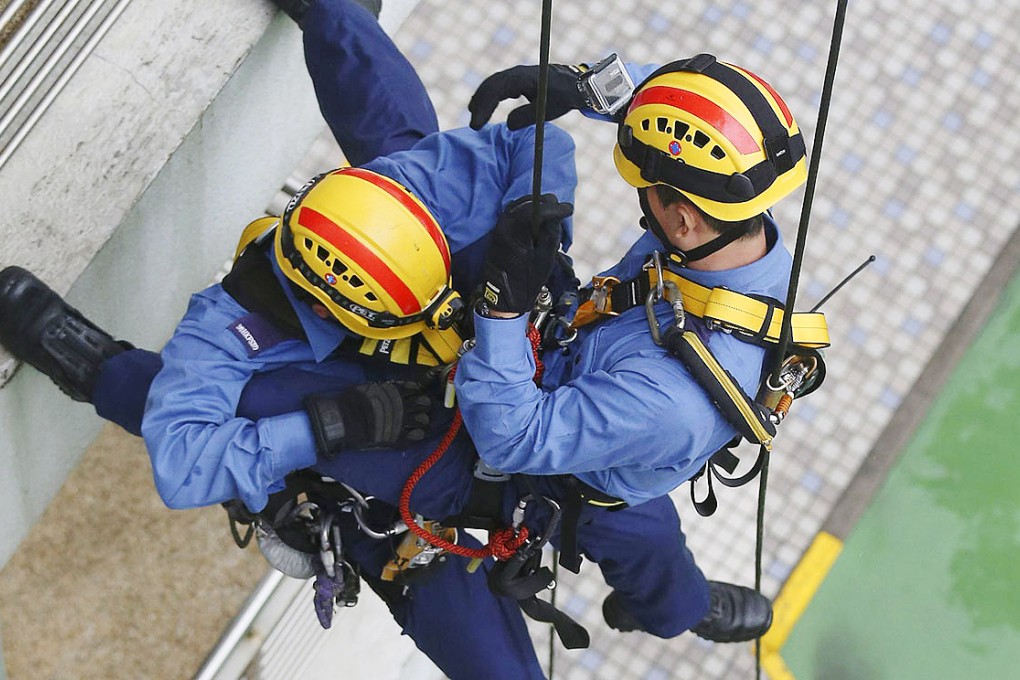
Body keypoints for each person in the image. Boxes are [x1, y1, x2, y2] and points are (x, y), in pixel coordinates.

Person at [0, 0, 812, 671]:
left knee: (657, 568)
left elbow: (518, 424)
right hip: (468, 454)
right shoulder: (725, 238)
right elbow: (188, 451)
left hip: (564, 442)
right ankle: (81, 357)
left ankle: (681, 608)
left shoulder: (664, 393)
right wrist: (331, 425)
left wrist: (508, 284)